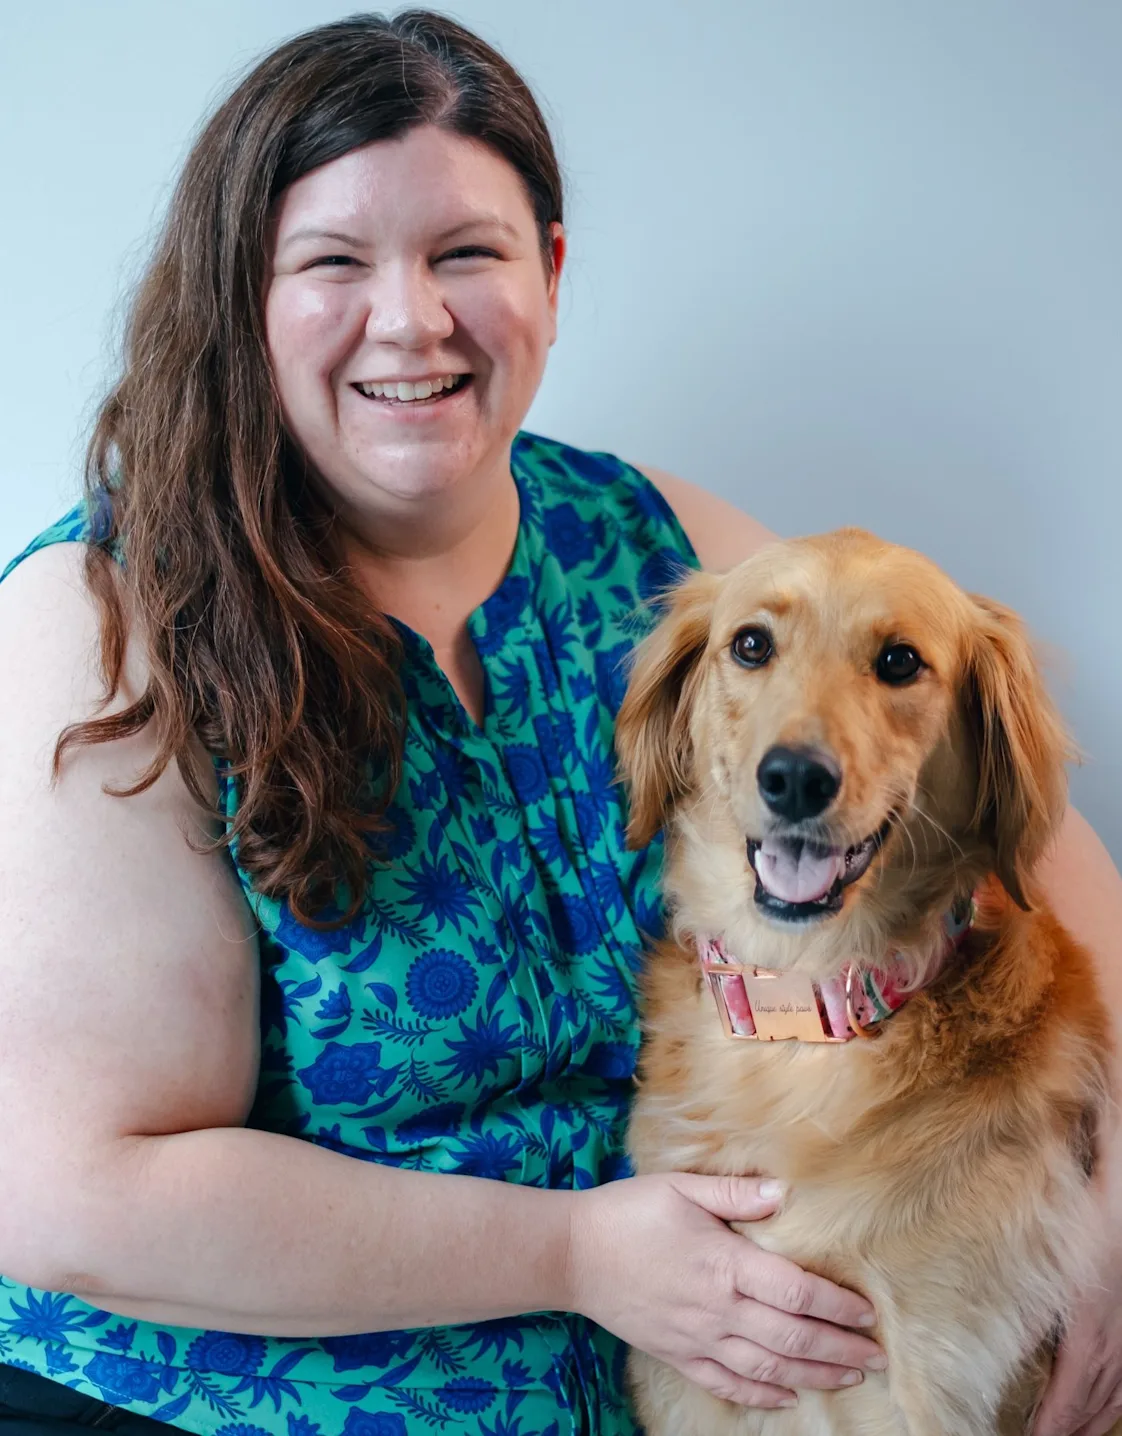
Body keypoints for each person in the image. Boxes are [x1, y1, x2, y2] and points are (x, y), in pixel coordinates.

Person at [0, 12, 1119, 1436]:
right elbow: (71, 1193)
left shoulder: (652, 540)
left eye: (465, 253)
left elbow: (1029, 836)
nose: (410, 319)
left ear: (550, 272)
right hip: (206, 1408)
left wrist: (1113, 1197)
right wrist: (575, 1253)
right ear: (244, 298)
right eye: (334, 262)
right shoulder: (104, 622)